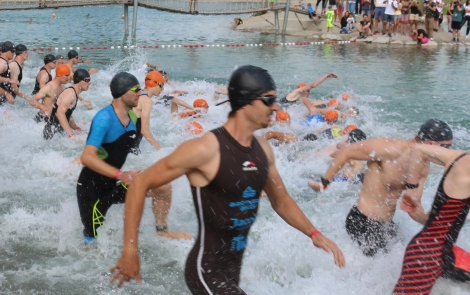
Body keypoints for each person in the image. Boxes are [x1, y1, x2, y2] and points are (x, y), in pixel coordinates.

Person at [109, 65, 345, 292]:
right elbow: (140, 183)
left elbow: (281, 200)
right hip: (206, 271)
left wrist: (314, 234)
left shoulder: (263, 149)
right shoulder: (205, 149)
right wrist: (130, 251)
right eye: (267, 99)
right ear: (245, 101)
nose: (274, 107)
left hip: (232, 271)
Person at [309, 119, 452, 257]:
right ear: (430, 143)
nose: (449, 153)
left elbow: (413, 206)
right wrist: (324, 182)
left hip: (386, 224)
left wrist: (433, 225)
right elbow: (347, 152)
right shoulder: (389, 148)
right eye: (446, 147)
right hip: (362, 222)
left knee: (405, 255)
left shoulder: (423, 167)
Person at [77, 72, 189, 245]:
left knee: (163, 187)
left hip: (113, 183)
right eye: (136, 89)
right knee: (92, 245)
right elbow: (87, 157)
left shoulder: (131, 120)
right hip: (93, 190)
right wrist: (120, 175)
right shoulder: (104, 118)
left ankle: (162, 231)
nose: (140, 93)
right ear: (122, 93)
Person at [392, 140, 470, 293]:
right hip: (428, 255)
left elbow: (418, 149)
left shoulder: (460, 156)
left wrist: (412, 190)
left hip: (439, 251)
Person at [43, 69, 89, 140]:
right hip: (51, 135)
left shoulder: (74, 93)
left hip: (58, 133)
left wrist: (76, 128)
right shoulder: (70, 93)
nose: (89, 83)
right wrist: (72, 135)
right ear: (79, 81)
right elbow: (60, 113)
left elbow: (68, 115)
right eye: (87, 80)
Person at [131, 71, 167, 151]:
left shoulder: (133, 92)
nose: (162, 89)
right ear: (153, 83)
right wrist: (161, 151)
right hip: (129, 150)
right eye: (161, 85)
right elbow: (144, 130)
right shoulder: (146, 101)